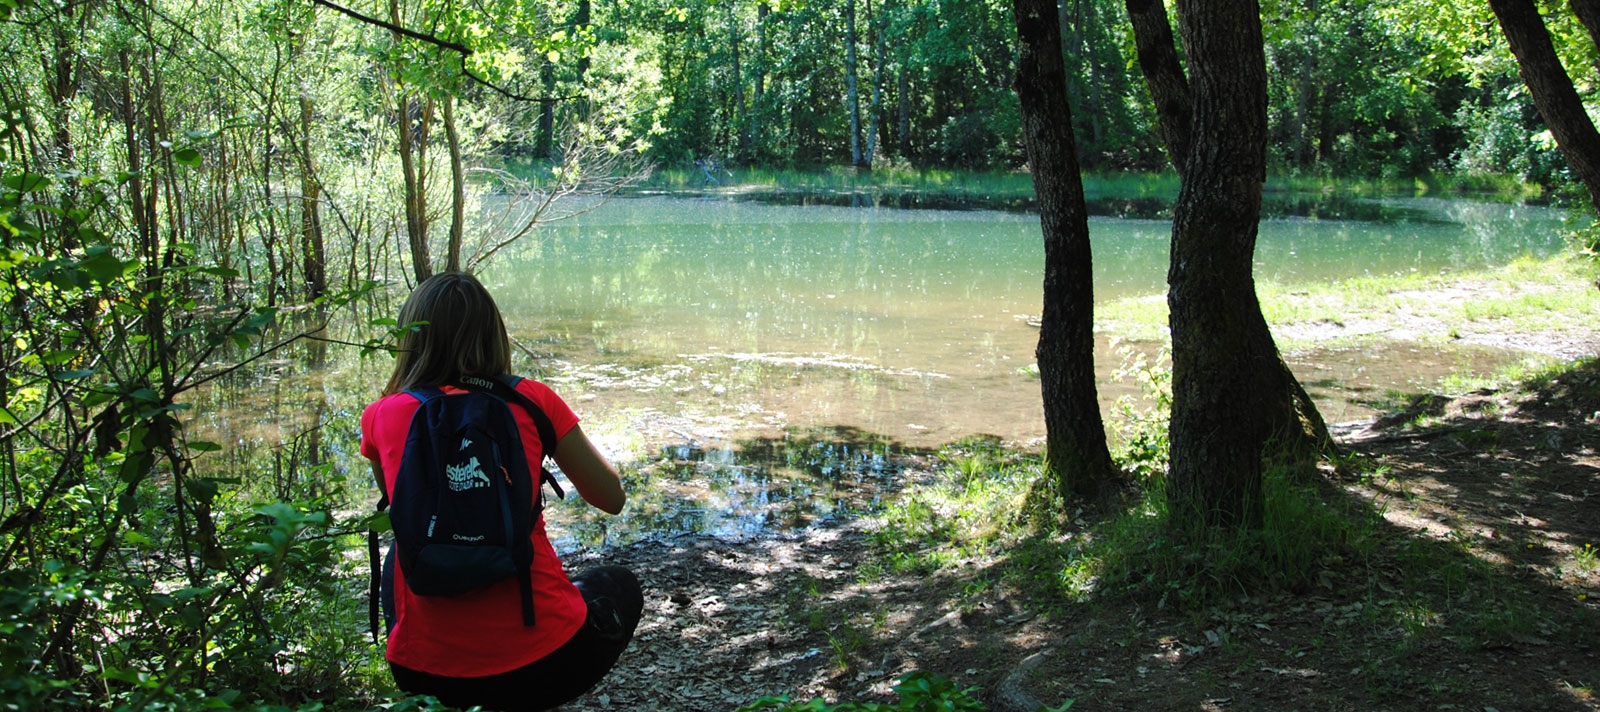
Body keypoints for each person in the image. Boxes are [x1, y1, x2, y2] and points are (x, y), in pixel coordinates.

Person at [360, 272, 642, 712]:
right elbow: (612, 498)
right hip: (549, 662)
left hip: (423, 673)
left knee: (402, 547)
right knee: (619, 584)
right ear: (493, 334)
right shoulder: (531, 400)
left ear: (411, 338)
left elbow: (402, 508)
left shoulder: (381, 416)